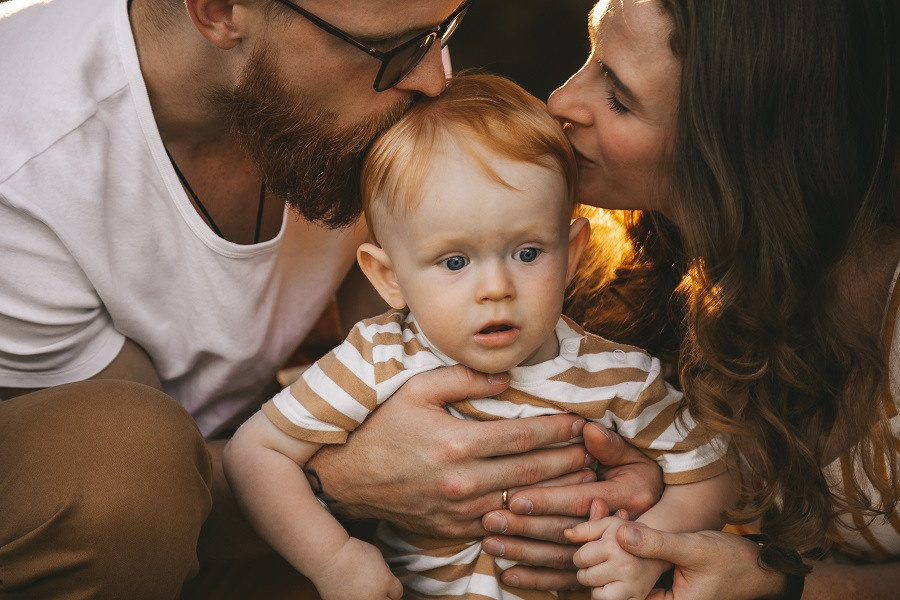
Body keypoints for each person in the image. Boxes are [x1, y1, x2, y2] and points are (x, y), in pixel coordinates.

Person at [0, 0, 663, 597]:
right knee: (125, 465)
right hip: (131, 500)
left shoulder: (379, 70)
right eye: (395, 47)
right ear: (220, 11)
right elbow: (144, 498)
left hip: (273, 461)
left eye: (442, 30)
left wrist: (615, 482)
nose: (435, 77)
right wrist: (346, 480)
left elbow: (411, 358)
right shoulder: (24, 171)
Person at [224, 72, 732, 600]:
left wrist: (642, 545)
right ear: (389, 277)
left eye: (528, 253)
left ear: (571, 254)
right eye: (455, 261)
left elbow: (710, 473)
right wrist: (334, 558)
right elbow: (256, 453)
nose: (496, 288)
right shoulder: (380, 358)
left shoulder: (616, 377)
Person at [539, 0, 900, 597]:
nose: (560, 100)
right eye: (591, 54)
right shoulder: (594, 264)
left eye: (619, 98)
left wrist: (779, 585)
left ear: (736, 148)